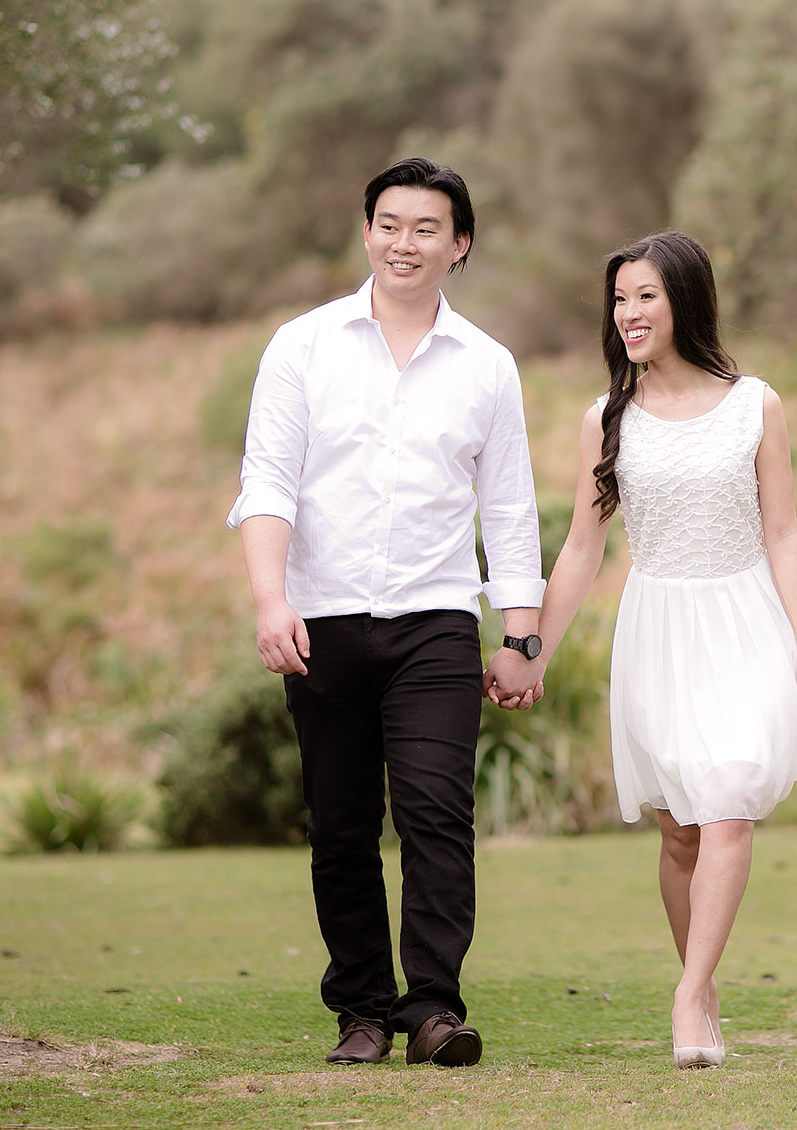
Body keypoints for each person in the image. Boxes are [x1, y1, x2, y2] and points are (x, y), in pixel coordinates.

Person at [227, 158, 548, 1070]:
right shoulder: (302, 345)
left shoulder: (487, 364)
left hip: (435, 618)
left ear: (460, 243)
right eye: (390, 224)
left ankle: (435, 1008)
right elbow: (267, 481)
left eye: (426, 228)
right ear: (367, 231)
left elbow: (509, 509)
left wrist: (521, 637)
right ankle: (362, 1011)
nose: (405, 243)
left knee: (437, 814)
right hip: (320, 618)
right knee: (340, 823)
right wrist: (270, 598)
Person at [528, 230, 797, 1070]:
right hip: (658, 632)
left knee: (729, 801)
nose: (628, 313)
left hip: (745, 623)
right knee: (680, 833)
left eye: (647, 296)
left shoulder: (755, 405)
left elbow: (784, 533)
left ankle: (688, 990)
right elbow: (582, 547)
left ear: (686, 302)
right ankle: (701, 989)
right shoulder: (606, 419)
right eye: (619, 298)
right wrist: (534, 650)